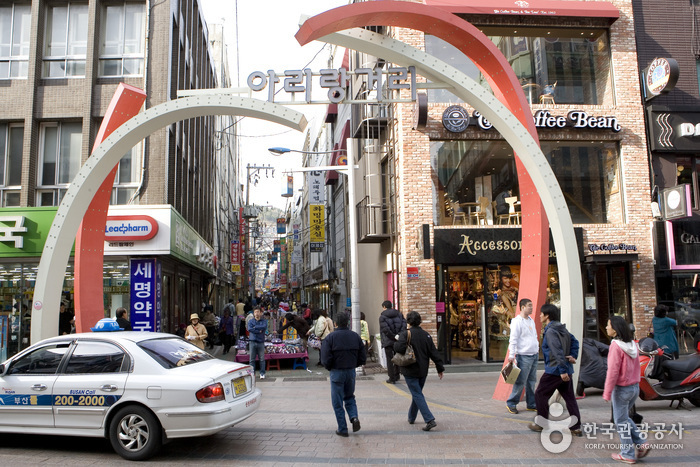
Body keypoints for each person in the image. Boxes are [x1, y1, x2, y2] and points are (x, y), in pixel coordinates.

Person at [528, 304, 582, 436]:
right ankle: (576, 427)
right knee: (570, 399)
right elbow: (575, 342)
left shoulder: (551, 331)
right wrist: (573, 356)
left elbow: (556, 351)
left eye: (541, 313)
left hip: (555, 370)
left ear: (547, 316)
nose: (540, 315)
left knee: (540, 394)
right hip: (565, 369)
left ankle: (542, 424)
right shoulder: (562, 329)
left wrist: (562, 370)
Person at [604, 316, 651, 464]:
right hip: (634, 388)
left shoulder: (615, 346)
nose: (606, 328)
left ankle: (628, 454)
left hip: (622, 390)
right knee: (624, 418)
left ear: (615, 329)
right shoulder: (632, 344)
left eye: (608, 325)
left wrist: (607, 391)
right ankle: (641, 443)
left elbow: (613, 371)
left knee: (620, 421)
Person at [394, 310, 444, 431]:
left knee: (417, 394)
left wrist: (397, 340)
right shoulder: (426, 335)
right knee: (417, 393)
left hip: (410, 369)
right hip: (423, 370)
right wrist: (439, 368)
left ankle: (429, 419)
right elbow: (434, 352)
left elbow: (398, 348)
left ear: (408, 322)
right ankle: (411, 417)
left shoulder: (406, 334)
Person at [321, 311, 366, 437]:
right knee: (350, 397)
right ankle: (354, 417)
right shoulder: (355, 336)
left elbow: (325, 358)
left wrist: (329, 367)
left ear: (335, 324)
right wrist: (355, 364)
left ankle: (343, 428)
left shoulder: (330, 338)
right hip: (350, 371)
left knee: (337, 401)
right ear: (348, 323)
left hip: (336, 371)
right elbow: (362, 356)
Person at [506, 298, 539, 414]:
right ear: (523, 307)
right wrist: (511, 355)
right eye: (529, 305)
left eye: (532, 305)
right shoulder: (517, 321)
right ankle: (511, 403)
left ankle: (531, 403)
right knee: (520, 381)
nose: (531, 307)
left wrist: (537, 348)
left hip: (534, 354)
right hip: (524, 356)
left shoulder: (531, 320)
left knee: (531, 381)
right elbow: (513, 339)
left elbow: (534, 336)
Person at [379, 300, 406, 384]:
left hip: (388, 340)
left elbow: (385, 329)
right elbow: (404, 325)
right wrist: (398, 335)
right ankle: (397, 374)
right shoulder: (399, 314)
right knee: (397, 357)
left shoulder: (382, 317)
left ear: (384, 307)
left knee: (389, 359)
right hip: (398, 340)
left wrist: (392, 336)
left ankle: (391, 377)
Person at [247, 307, 267, 379]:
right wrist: (258, 331)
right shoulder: (251, 321)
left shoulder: (264, 321)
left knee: (262, 359)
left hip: (261, 342)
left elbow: (264, 327)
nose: (257, 313)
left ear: (260, 313)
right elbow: (249, 329)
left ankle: (262, 373)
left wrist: (255, 328)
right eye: (255, 312)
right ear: (253, 313)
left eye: (258, 312)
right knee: (251, 359)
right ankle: (252, 374)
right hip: (252, 341)